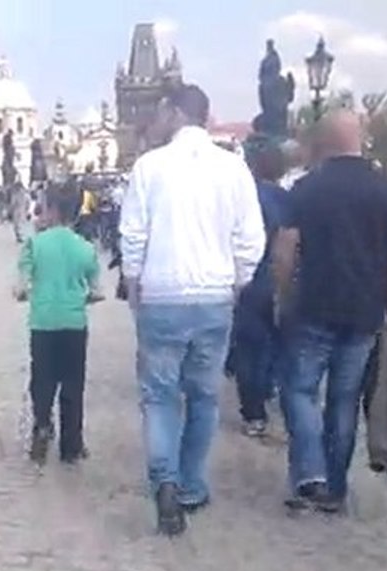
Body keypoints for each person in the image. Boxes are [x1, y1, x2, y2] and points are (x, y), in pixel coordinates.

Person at [121, 84, 265, 537]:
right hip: (214, 295)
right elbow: (251, 238)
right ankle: (191, 484)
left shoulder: (149, 167)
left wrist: (134, 283)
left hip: (162, 294)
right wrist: (238, 280)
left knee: (160, 395)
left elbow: (133, 234)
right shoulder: (233, 168)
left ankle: (163, 480)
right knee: (203, 396)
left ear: (174, 112)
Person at [274, 110, 387, 514]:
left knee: (299, 390)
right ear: (362, 139)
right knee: (344, 400)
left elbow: (286, 251)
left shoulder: (305, 189)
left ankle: (309, 473)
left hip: (313, 305)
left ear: (324, 143)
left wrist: (283, 296)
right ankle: (334, 489)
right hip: (365, 311)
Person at [16, 182, 102, 465]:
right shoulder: (86, 249)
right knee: (73, 383)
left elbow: (21, 287)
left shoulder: (34, 244)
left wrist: (25, 292)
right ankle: (71, 445)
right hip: (74, 323)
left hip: (43, 322)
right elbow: (96, 290)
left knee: (42, 378)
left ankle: (42, 425)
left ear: (50, 210)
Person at [232, 139, 289, 437]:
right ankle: (269, 388)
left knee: (248, 347)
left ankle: (253, 412)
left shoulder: (246, 197)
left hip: (249, 279)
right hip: (280, 278)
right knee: (274, 342)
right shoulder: (288, 199)